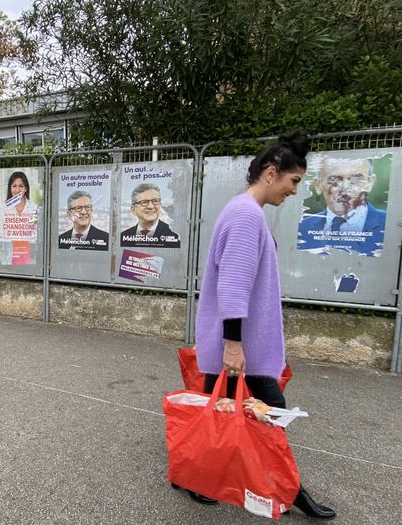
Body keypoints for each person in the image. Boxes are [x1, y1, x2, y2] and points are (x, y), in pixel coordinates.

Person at [187, 130, 336, 520]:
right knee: (267, 412)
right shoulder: (245, 215)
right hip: (240, 346)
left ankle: (213, 478)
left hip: (239, 343)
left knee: (225, 411)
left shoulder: (243, 211)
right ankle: (287, 491)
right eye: (294, 181)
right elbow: (233, 285)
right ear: (271, 173)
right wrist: (234, 346)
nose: (294, 190)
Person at [298, 157, 386, 256]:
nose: (345, 188)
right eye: (334, 180)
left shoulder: (388, 226)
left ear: (370, 183)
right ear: (318, 185)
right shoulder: (302, 228)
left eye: (356, 180)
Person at [120, 183, 180, 247]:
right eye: (144, 202)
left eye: (155, 201)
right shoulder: (122, 238)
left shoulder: (174, 238)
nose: (151, 206)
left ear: (160, 205)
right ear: (133, 209)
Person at [1, 171, 38, 265]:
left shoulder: (34, 208)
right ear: (10, 188)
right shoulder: (3, 208)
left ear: (26, 188)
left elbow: (35, 229)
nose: (17, 190)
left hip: (28, 254)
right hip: (9, 254)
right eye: (14, 186)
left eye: (21, 186)